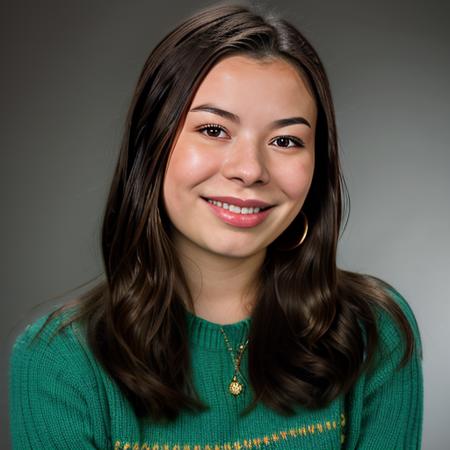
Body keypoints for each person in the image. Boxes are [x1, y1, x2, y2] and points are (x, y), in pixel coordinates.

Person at [9, 2, 423, 449]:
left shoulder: (373, 332)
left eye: (285, 140)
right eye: (213, 130)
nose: (249, 170)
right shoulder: (61, 360)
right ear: (153, 145)